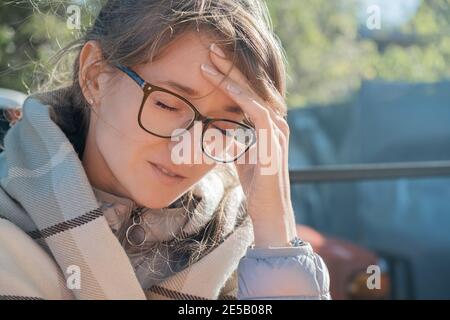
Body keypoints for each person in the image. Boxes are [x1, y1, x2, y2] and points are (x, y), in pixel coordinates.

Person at [0, 0, 330, 300]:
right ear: (95, 76)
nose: (190, 149)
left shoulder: (242, 245)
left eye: (223, 126)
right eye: (167, 104)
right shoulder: (8, 236)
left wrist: (277, 232)